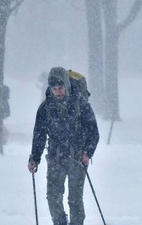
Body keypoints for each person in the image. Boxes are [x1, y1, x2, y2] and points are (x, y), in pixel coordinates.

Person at [27, 67, 99, 225]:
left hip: (78, 158)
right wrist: (34, 158)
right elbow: (39, 135)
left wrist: (87, 153)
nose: (58, 92)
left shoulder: (81, 104)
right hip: (55, 158)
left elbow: (93, 132)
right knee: (53, 197)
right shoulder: (46, 108)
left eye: (60, 88)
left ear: (66, 85)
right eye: (54, 89)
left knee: (74, 199)